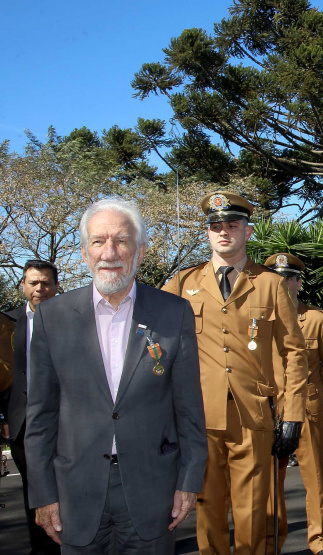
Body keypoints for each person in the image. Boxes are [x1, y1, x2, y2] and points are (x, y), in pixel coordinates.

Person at [25, 199, 207, 553]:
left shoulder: (174, 312)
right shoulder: (53, 316)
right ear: (83, 252)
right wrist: (43, 494)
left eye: (122, 241)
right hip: (75, 493)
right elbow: (41, 416)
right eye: (98, 241)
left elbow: (188, 407)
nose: (110, 252)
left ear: (139, 251)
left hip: (153, 490)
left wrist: (189, 481)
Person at [162, 191, 311, 555]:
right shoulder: (182, 284)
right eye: (216, 226)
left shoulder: (271, 284)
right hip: (199, 416)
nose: (223, 231)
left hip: (253, 415)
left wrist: (292, 414)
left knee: (252, 512)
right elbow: (153, 342)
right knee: (207, 511)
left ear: (248, 231)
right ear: (208, 233)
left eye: (232, 225)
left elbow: (295, 353)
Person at [265, 253, 323, 555]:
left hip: (308, 409)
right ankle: (271, 540)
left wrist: (310, 390)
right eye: (276, 278)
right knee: (270, 482)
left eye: (288, 278)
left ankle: (321, 542)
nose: (282, 284)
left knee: (316, 478)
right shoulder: (259, 321)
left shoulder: (317, 319)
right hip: (269, 409)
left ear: (298, 282)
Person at [0, 259, 61, 555]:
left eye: (46, 283)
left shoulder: (72, 320)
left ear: (56, 287)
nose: (40, 289)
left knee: (69, 491)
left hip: (66, 423)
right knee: (34, 494)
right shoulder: (5, 324)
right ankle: (42, 550)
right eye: (33, 282)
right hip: (22, 423)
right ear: (23, 285)